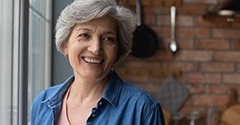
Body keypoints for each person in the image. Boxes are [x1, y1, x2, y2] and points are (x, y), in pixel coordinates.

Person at [31, 0, 165, 125]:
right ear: (65, 44)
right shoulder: (42, 103)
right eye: (84, 35)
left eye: (108, 39)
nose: (96, 49)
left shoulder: (143, 109)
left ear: (118, 51)